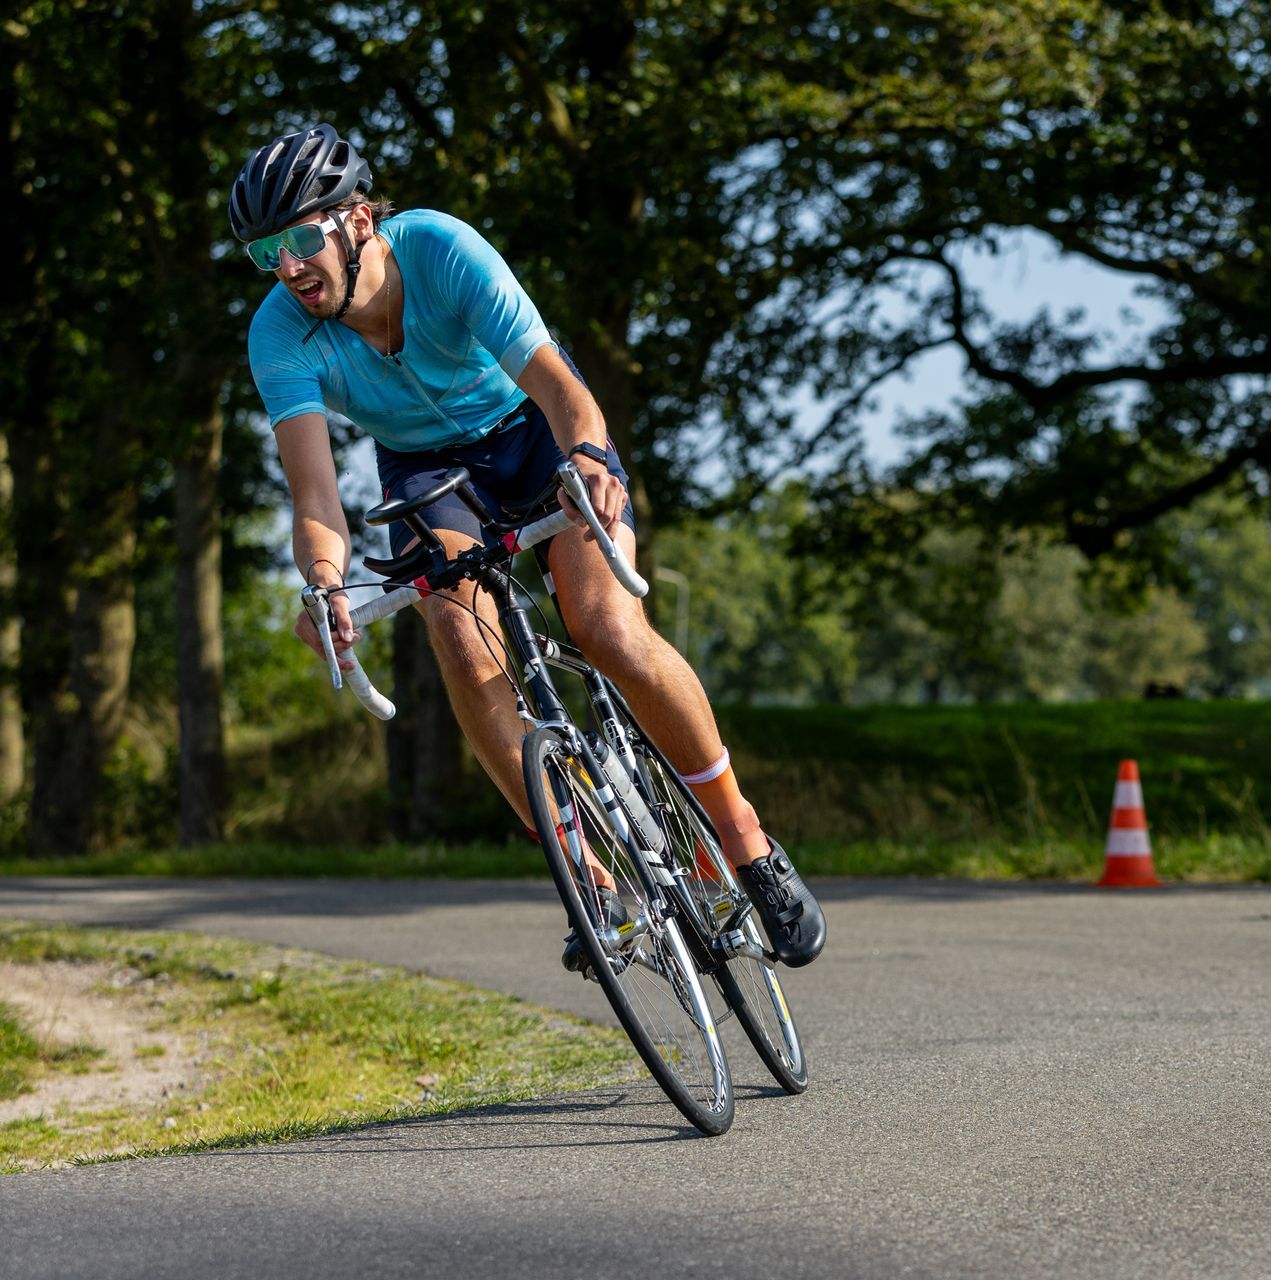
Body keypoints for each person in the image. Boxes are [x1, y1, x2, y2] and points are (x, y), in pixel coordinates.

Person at [231, 124, 825, 966]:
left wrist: (589, 457)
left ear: (358, 221)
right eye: (266, 254)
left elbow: (557, 385)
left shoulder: (440, 249)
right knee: (463, 647)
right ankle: (593, 886)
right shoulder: (277, 334)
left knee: (606, 626)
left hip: (534, 431)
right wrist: (325, 583)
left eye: (299, 240)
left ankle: (743, 839)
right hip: (427, 471)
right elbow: (317, 496)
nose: (288, 268)